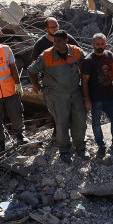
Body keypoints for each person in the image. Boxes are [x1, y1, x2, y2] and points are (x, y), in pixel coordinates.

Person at [27, 30, 88, 161]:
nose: (55, 43)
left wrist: (85, 86)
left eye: (58, 41)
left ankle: (80, 147)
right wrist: (38, 86)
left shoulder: (76, 51)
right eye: (54, 41)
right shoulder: (46, 55)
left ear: (66, 41)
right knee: (61, 123)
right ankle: (64, 150)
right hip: (56, 96)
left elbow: (85, 64)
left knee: (80, 121)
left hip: (75, 92)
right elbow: (31, 70)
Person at [81, 33, 113, 157]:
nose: (100, 46)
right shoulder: (88, 61)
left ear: (105, 44)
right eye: (97, 44)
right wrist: (87, 99)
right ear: (93, 44)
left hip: (110, 95)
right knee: (96, 123)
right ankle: (101, 145)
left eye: (102, 44)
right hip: (95, 98)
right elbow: (84, 82)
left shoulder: (109, 55)